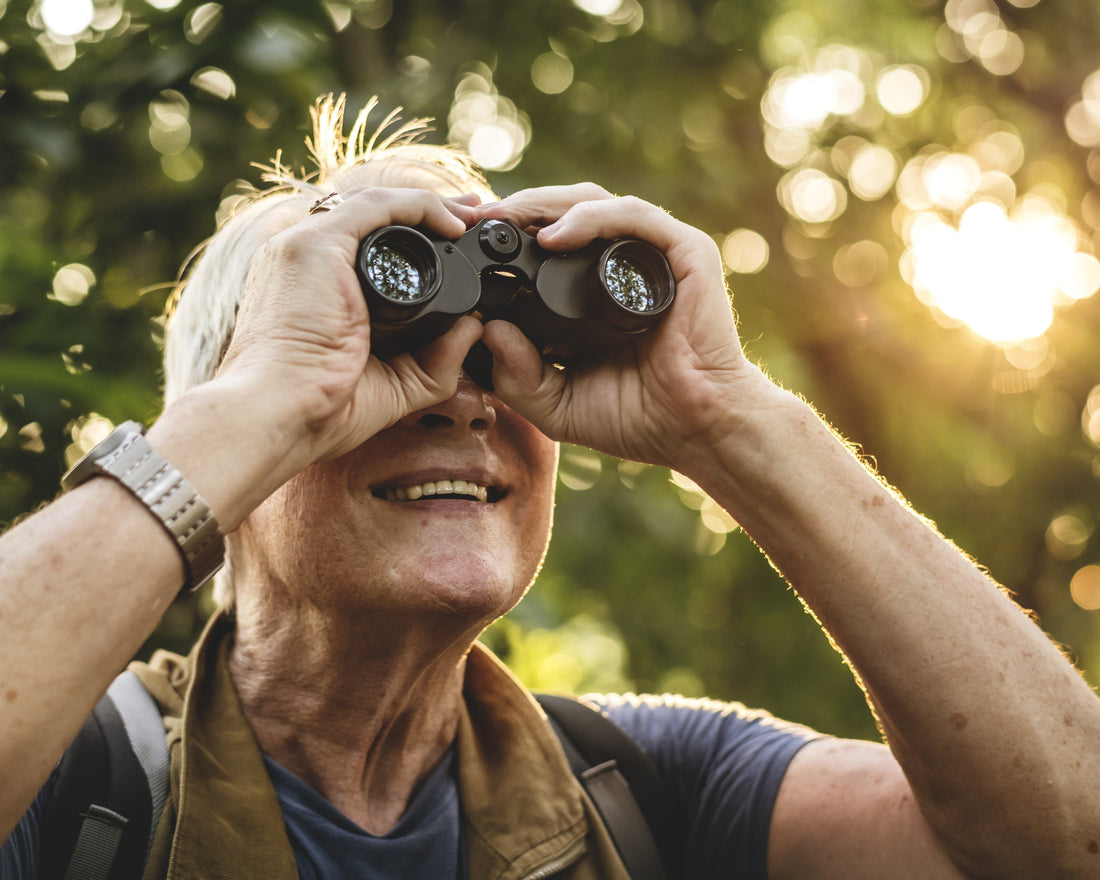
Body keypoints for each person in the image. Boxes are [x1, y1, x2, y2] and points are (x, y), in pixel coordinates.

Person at [1, 93, 1098, 880]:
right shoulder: (80, 778)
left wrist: (726, 414)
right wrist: (257, 409)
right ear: (231, 418)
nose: (460, 399)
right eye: (369, 362)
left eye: (500, 355)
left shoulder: (648, 791)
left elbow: (1063, 842)